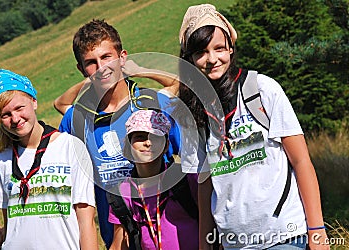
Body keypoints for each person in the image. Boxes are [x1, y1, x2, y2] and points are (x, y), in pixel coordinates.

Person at [177, 4, 329, 249]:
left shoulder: (262, 89)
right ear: (189, 59)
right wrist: (204, 243)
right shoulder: (192, 115)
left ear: (231, 48)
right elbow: (204, 187)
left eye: (219, 48)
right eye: (201, 52)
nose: (212, 59)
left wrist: (317, 230)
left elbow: (301, 161)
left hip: (285, 236)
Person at [56, 19, 181, 248]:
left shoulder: (154, 103)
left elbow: (192, 162)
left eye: (106, 57)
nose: (101, 67)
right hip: (116, 240)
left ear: (122, 57)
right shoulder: (76, 119)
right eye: (91, 63)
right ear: (81, 70)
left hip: (168, 235)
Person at [0, 68, 98, 249]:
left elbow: (86, 222)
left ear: (34, 102)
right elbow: (13, 224)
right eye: (5, 115)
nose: (15, 118)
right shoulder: (1, 161)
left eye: (19, 108)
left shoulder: (71, 147)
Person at [108, 109, 198, 250]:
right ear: (128, 145)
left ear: (166, 145)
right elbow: (119, 243)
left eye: (156, 137)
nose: (148, 142)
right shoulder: (122, 192)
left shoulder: (186, 179)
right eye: (140, 136)